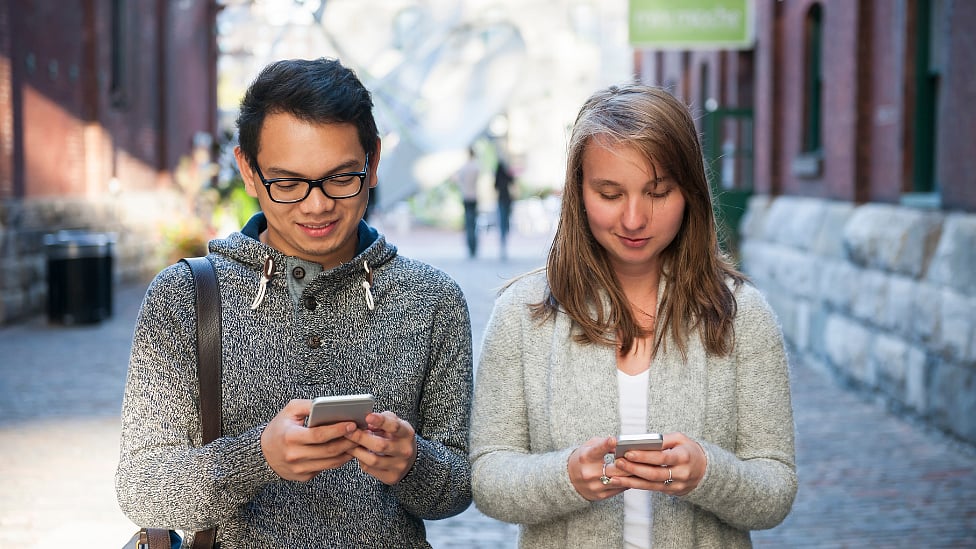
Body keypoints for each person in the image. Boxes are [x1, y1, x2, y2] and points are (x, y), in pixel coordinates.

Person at [116, 57, 474, 547]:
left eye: (341, 177)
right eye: (286, 183)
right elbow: (142, 492)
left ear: (373, 162)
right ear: (247, 170)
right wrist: (258, 458)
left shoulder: (432, 299)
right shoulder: (184, 298)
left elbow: (456, 491)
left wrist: (412, 464)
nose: (316, 205)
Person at [469, 84, 796, 548]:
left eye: (658, 192)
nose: (634, 219)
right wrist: (566, 477)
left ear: (690, 193)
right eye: (610, 193)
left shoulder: (743, 315)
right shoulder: (522, 314)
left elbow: (776, 490)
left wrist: (708, 472)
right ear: (578, 192)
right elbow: (487, 478)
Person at [456, 146, 480, 258]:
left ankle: (470, 247)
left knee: (468, 223)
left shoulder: (464, 168)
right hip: (474, 197)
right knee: (474, 223)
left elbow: (457, 180)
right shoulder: (476, 167)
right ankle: (474, 247)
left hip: (466, 196)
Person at [493, 156, 515, 260]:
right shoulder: (508, 173)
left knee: (502, 219)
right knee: (506, 219)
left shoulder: (499, 175)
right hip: (508, 199)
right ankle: (505, 235)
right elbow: (513, 181)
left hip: (501, 199)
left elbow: (495, 186)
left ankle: (503, 239)